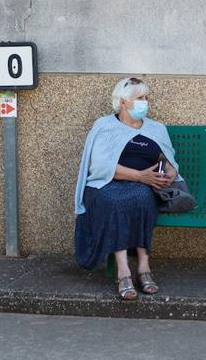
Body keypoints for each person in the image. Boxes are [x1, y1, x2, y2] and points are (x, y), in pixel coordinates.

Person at [74, 77, 182, 300]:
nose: (145, 102)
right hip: (105, 185)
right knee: (116, 201)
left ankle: (144, 265)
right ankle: (123, 269)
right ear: (123, 102)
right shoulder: (104, 126)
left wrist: (170, 171)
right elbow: (100, 165)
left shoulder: (156, 128)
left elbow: (167, 157)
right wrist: (139, 176)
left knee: (142, 197)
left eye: (146, 97)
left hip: (145, 185)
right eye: (139, 98)